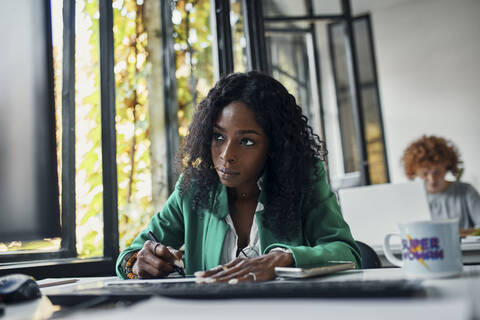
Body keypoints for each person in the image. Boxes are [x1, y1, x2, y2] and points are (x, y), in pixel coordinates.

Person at [116, 71, 361, 283]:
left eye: (246, 141)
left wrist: (287, 259)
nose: (226, 155)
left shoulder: (304, 181)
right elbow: (131, 255)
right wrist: (139, 264)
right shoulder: (193, 188)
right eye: (218, 137)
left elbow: (348, 254)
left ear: (274, 146)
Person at [402, 135, 480, 231]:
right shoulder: (412, 199)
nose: (432, 179)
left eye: (437, 172)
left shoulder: (466, 191)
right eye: (425, 174)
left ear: (447, 167)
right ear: (415, 172)